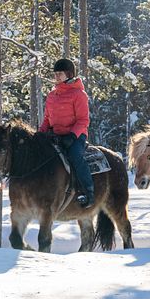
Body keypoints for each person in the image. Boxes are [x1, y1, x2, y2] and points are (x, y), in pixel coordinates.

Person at [39, 58, 94, 208]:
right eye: (55, 73)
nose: (56, 76)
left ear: (69, 74)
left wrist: (72, 136)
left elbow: (83, 120)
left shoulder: (79, 94)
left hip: (75, 136)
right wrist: (40, 133)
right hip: (56, 135)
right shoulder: (52, 95)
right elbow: (47, 119)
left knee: (75, 156)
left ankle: (88, 192)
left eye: (60, 73)